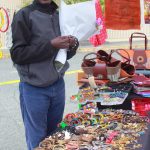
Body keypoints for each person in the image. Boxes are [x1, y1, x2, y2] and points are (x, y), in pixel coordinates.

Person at [10, 0, 79, 149]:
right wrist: (50, 45)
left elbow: (64, 54)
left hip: (57, 84)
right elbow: (17, 54)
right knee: (37, 140)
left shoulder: (59, 15)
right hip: (34, 88)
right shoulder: (25, 15)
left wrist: (72, 45)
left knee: (55, 136)